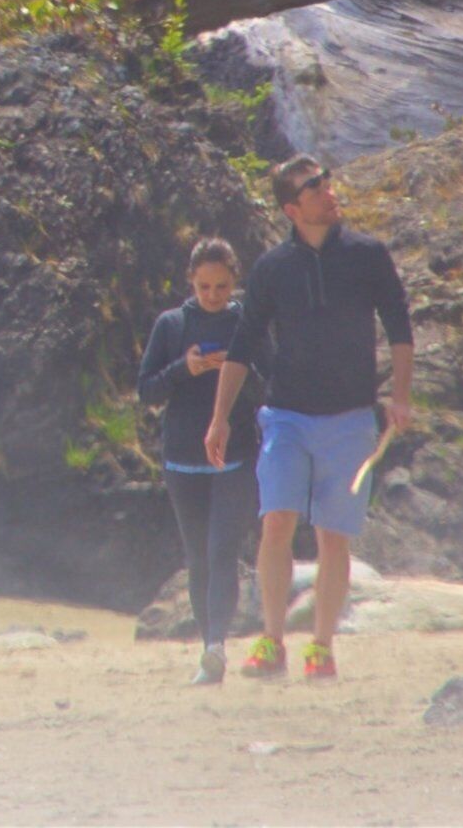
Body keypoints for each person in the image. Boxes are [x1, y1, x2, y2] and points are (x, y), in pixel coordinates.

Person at [205, 153, 415, 681]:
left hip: (350, 418)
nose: (329, 191)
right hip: (286, 417)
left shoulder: (367, 256)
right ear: (293, 207)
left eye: (327, 181)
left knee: (333, 536)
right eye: (316, 186)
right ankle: (271, 641)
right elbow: (244, 341)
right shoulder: (274, 268)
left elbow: (399, 327)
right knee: (276, 522)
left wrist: (402, 397)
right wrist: (219, 418)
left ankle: (320, 646)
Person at [136, 237, 260, 684]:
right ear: (190, 281)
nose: (213, 296)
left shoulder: (246, 323)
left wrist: (236, 370)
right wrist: (183, 369)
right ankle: (210, 651)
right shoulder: (171, 325)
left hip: (237, 457)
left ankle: (216, 645)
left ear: (234, 283)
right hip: (183, 459)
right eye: (205, 287)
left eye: (222, 287)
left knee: (223, 550)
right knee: (199, 557)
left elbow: (270, 385)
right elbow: (146, 390)